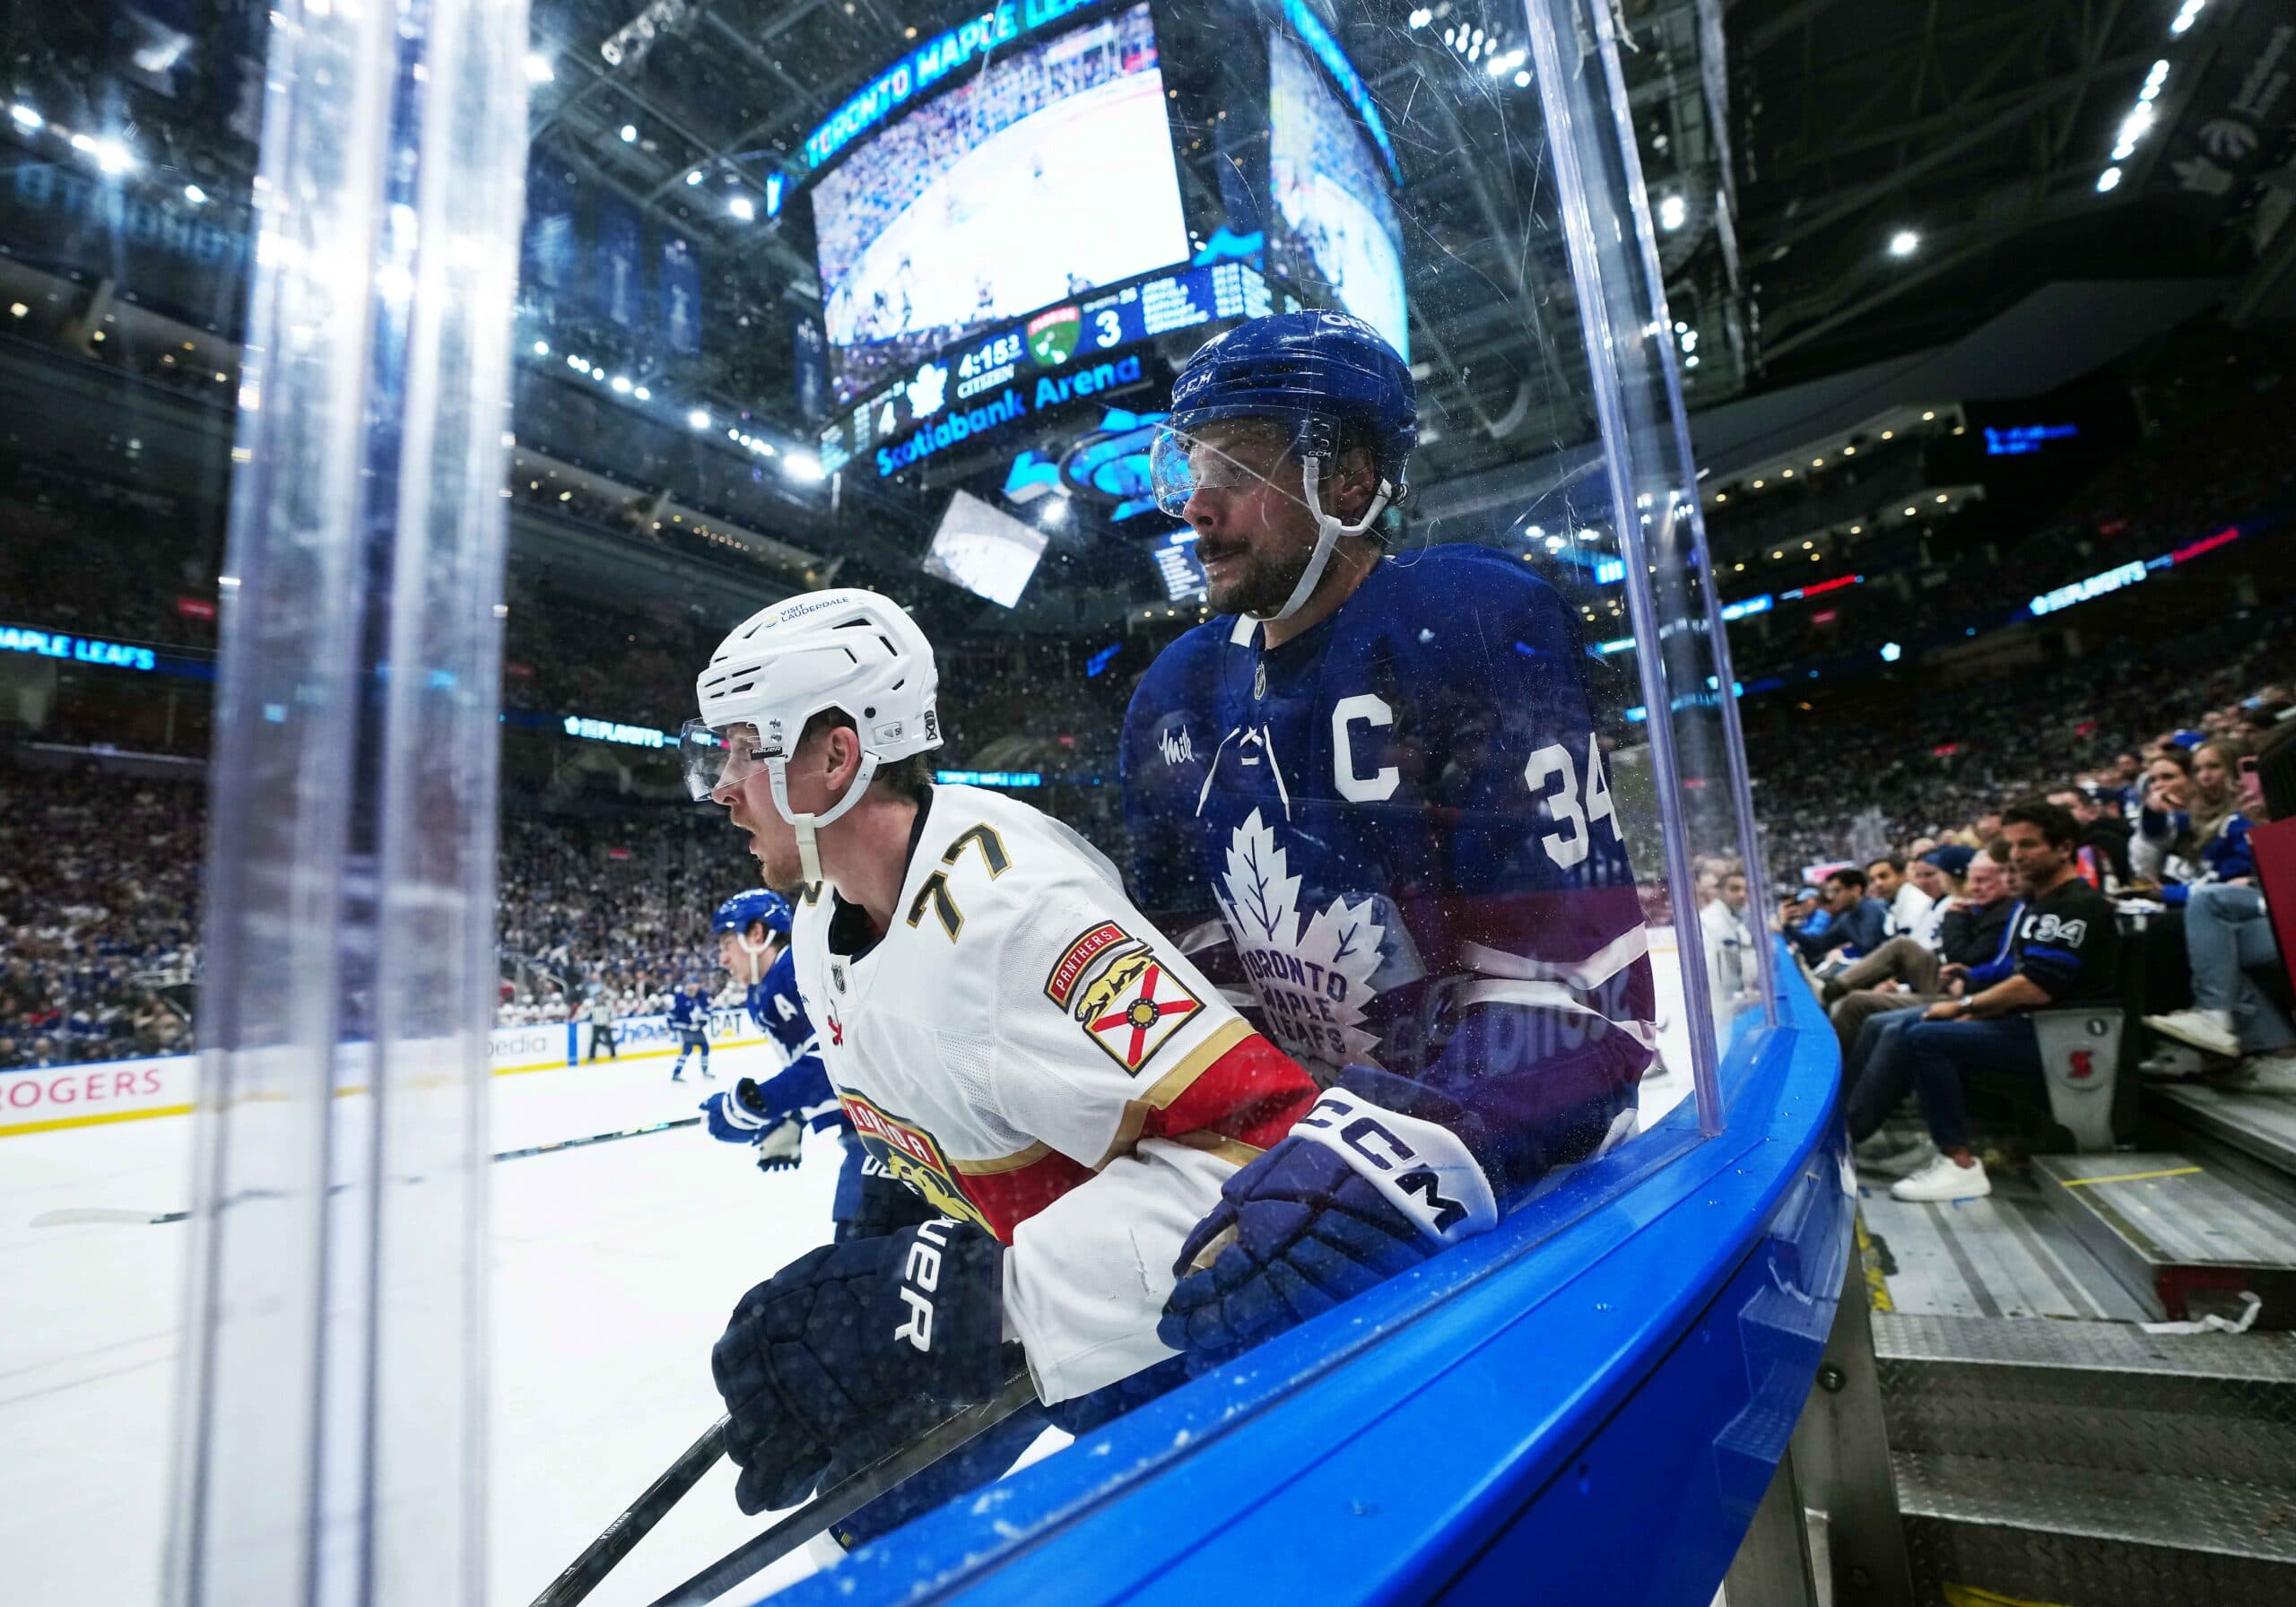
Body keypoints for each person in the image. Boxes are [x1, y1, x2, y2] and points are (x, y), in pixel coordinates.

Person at [680, 587, 1318, 1523]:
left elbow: (1276, 1154)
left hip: (1203, 1369)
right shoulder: (820, 917)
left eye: (740, 748)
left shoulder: (1023, 914)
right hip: (1071, 1340)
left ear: (834, 756)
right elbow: (942, 1119)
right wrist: (891, 1285)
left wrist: (979, 1301)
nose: (719, 785)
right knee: (874, 1523)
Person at [1118, 310, 1655, 1374]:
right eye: (1188, 460)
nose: (1194, 502)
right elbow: (1192, 1000)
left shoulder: (1464, 622)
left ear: (1350, 481)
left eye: (1238, 463)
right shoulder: (1175, 694)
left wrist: (1382, 1157)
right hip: (1292, 1152)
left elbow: (1583, 1005)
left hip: (1501, 1171)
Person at [1847, 801, 2122, 1203]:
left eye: (2028, 845)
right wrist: (1972, 989)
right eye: (2012, 846)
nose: (2016, 855)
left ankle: (1958, 1164)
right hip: (2029, 1022)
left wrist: (1965, 1006)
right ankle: (1847, 1132)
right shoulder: (2043, 902)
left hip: (2059, 1034)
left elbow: (2036, 987)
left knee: (1925, 1036)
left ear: (2064, 848)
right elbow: (2017, 971)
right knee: (1896, 1024)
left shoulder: (2075, 905)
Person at [699, 888, 935, 1239]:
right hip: (873, 1128)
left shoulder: (798, 967)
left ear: (756, 935)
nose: (722, 959)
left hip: (903, 1123)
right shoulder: (762, 994)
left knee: (859, 1253)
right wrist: (794, 1118)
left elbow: (836, 1059)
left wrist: (757, 1103)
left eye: (726, 943)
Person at [2144, 751, 2290, 1064]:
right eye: (2200, 769)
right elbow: (2159, 833)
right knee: (2218, 948)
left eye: (2214, 766)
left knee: (2208, 908)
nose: (2206, 776)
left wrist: (2265, 830)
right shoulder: (2212, 818)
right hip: (2274, 910)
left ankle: (2221, 1020)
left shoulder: (2245, 821)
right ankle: (2278, 1051)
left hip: (2280, 908)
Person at [1784, 868, 1889, 968]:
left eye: (1836, 891)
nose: (1832, 897)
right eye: (1830, 892)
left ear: (1855, 890)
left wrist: (1846, 953)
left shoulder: (1875, 908)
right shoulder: (1846, 919)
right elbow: (1818, 945)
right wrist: (1787, 926)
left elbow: (1870, 945)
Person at [1700, 867, 1761, 1021]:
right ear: (1720, 892)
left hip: (1737, 1004)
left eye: (1745, 890)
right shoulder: (1710, 922)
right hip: (1722, 1009)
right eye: (1735, 889)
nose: (1742, 894)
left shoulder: (1736, 921)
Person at [1867, 855, 1935, 941]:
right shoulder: (1890, 905)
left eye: (1883, 876)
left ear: (1903, 876)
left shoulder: (1917, 902)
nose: (1878, 884)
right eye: (1872, 880)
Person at [665, 976, 714, 1081]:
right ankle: (676, 1073)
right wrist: (671, 1025)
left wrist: (700, 1023)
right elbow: (671, 1014)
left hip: (697, 1028)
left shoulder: (703, 996)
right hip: (684, 1027)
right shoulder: (680, 997)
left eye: (694, 984)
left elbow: (708, 1011)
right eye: (690, 984)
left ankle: (705, 1071)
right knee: (688, 1049)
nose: (692, 987)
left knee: (705, 1047)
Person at [582, 989, 616, 1061]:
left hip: (605, 1025)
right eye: (598, 998)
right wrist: (585, 1009)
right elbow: (586, 1016)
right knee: (594, 1041)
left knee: (610, 1041)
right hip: (596, 1025)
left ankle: (613, 1056)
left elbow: (612, 1015)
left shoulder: (607, 1006)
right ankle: (592, 1058)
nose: (600, 999)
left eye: (601, 997)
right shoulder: (592, 1007)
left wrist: (610, 1022)